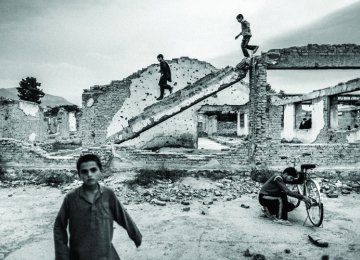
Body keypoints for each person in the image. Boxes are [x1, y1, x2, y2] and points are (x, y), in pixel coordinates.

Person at [54, 154, 142, 260]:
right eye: (84, 171)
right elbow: (59, 225)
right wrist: (62, 254)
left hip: (105, 254)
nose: (89, 174)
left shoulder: (108, 195)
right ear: (79, 175)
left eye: (93, 170)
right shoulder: (71, 198)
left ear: (100, 171)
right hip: (79, 255)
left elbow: (123, 216)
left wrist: (135, 235)